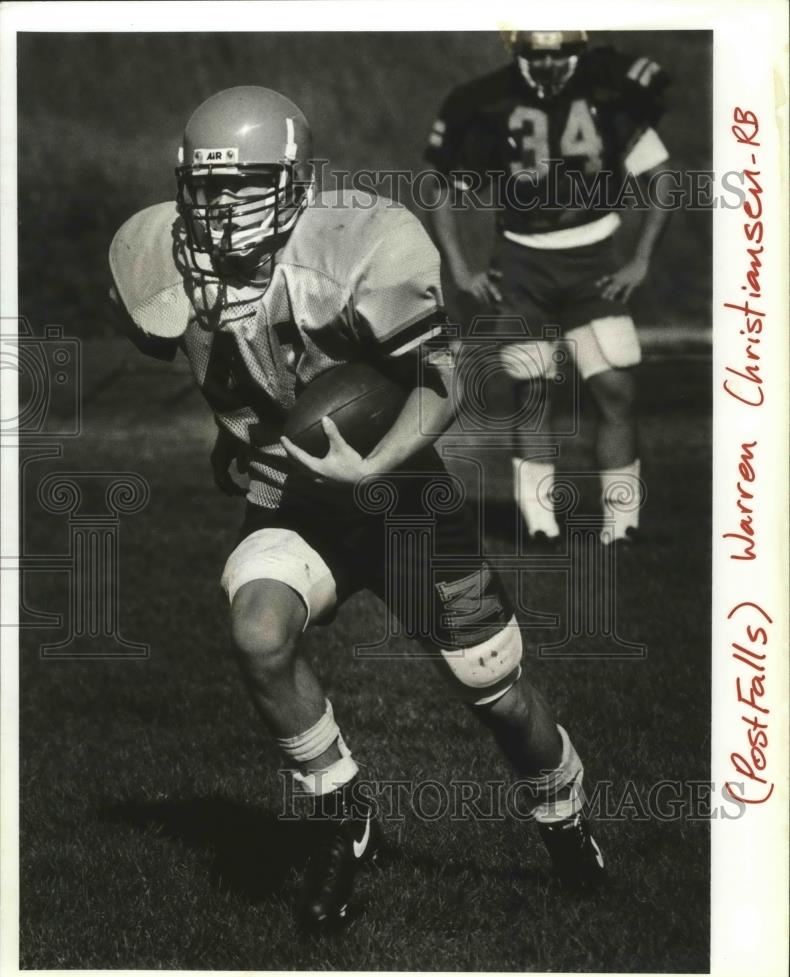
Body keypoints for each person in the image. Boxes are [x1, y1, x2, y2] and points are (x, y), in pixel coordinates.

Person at [108, 85, 604, 932]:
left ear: (297, 181)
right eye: (206, 188)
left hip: (402, 496)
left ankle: (562, 819)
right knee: (257, 632)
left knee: (499, 694)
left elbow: (445, 380)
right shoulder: (164, 254)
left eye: (244, 185)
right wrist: (236, 440)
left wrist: (367, 460)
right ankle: (344, 816)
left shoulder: (359, 242)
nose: (220, 210)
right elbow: (220, 362)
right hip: (295, 496)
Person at [424, 30, 672, 547]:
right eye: (538, 52)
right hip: (522, 264)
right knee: (532, 389)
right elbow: (441, 190)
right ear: (517, 49)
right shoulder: (487, 101)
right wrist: (462, 269)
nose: (550, 62)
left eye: (560, 50)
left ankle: (621, 523)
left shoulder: (608, 89)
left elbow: (661, 175)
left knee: (615, 387)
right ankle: (539, 524)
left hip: (594, 261)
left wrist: (642, 259)